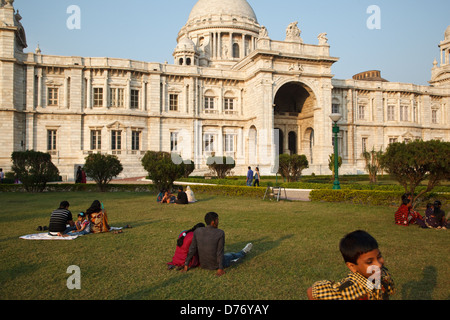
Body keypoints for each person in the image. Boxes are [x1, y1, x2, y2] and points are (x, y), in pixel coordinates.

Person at [307, 230, 396, 300]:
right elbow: (311, 291)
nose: (379, 264)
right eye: (369, 262)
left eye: (379, 256)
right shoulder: (346, 290)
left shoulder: (382, 274)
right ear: (352, 266)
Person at [183, 212, 253, 277]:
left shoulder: (197, 231)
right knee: (232, 255)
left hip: (204, 264)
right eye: (217, 220)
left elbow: (192, 248)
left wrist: (186, 263)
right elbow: (220, 252)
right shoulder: (220, 233)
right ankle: (243, 252)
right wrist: (220, 268)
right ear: (213, 222)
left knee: (229, 255)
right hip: (215, 265)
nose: (218, 221)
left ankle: (241, 252)